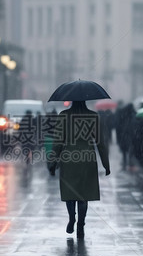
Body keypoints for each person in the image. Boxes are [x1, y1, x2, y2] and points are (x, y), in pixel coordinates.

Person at [47, 100, 110, 240]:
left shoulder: (63, 116)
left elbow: (57, 142)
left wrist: (52, 162)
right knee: (83, 194)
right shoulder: (93, 116)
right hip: (87, 158)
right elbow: (100, 142)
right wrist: (106, 163)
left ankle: (72, 218)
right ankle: (81, 223)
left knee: (71, 192)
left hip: (69, 158)